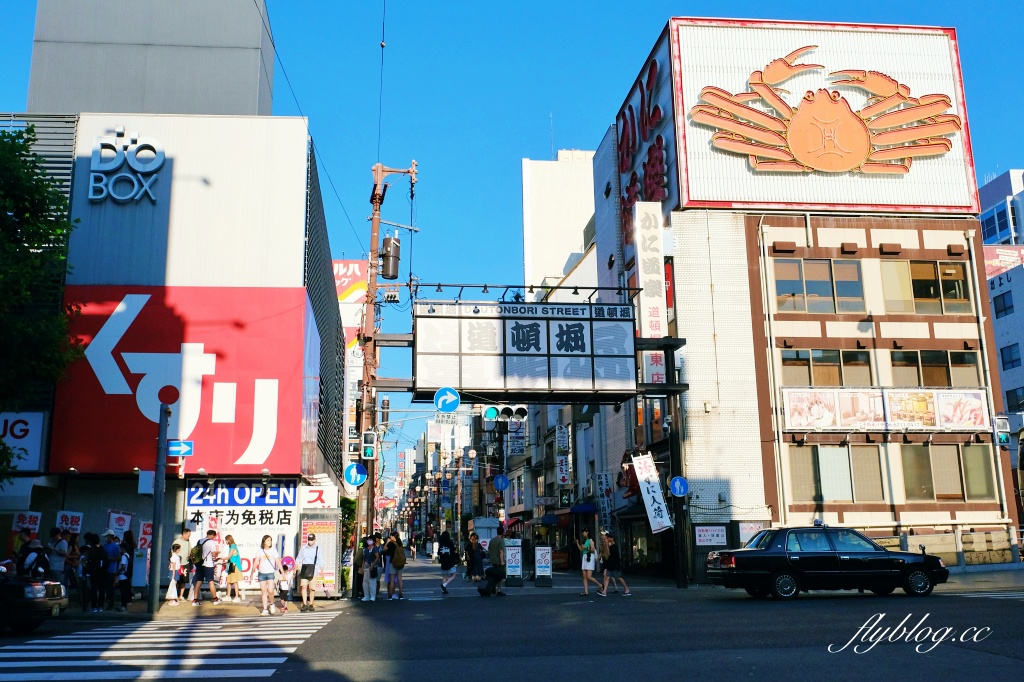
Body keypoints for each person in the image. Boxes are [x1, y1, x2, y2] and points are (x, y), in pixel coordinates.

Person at [251, 534, 280, 616]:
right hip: (261, 573)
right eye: (268, 540)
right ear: (264, 541)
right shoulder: (260, 551)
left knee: (270, 591)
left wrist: (282, 571)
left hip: (270, 573)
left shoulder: (273, 550)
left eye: (270, 540)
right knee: (264, 592)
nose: (269, 542)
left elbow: (278, 561)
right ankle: (265, 609)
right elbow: (256, 562)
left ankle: (271, 604)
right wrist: (252, 573)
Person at [296, 533, 324, 611]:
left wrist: (322, 571)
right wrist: (295, 567)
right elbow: (298, 558)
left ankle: (311, 604)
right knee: (304, 586)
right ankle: (304, 604)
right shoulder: (304, 548)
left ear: (315, 540)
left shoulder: (317, 549)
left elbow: (321, 559)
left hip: (314, 570)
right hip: (304, 569)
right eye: (309, 539)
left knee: (312, 588)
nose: (310, 541)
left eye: (312, 540)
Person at [598, 532, 631, 596]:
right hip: (610, 564)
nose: (608, 538)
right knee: (607, 577)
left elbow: (608, 553)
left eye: (609, 537)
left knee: (619, 577)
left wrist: (607, 545)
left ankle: (626, 589)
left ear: (612, 539)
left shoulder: (614, 546)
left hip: (614, 565)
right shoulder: (611, 546)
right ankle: (604, 591)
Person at [194, 529, 221, 606]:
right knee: (211, 581)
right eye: (214, 536)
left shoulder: (199, 541)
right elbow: (213, 554)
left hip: (199, 564)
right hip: (208, 564)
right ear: (212, 535)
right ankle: (215, 599)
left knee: (198, 582)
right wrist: (217, 553)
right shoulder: (211, 542)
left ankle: (195, 600)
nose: (213, 538)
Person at [479, 526, 506, 597]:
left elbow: (489, 549)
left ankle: (493, 588)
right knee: (499, 576)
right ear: (502, 533)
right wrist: (502, 561)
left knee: (494, 575)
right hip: (499, 561)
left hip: (493, 560)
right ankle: (499, 590)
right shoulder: (501, 541)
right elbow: (501, 552)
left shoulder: (492, 540)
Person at [576, 528, 602, 596]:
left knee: (589, 576)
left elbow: (592, 549)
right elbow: (581, 550)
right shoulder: (585, 540)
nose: (583, 533)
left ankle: (600, 585)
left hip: (589, 557)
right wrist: (577, 543)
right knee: (584, 576)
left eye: (584, 532)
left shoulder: (590, 540)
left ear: (587, 532)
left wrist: (586, 547)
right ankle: (586, 591)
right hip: (584, 557)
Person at [101, 530, 120, 610]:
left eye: (107, 536)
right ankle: (106, 602)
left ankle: (111, 603)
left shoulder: (115, 546)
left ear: (111, 536)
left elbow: (118, 557)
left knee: (110, 588)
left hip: (111, 569)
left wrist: (108, 558)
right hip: (104, 569)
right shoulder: (105, 545)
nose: (106, 538)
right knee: (105, 587)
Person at [223, 534, 244, 602]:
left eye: (226, 540)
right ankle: (228, 596)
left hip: (234, 566)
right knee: (229, 581)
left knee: (235, 582)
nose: (225, 541)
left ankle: (237, 597)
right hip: (231, 565)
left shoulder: (233, 547)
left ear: (228, 540)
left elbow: (229, 557)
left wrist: (220, 558)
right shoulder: (231, 546)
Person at [361, 536, 382, 602]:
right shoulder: (365, 549)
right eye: (368, 540)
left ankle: (373, 595)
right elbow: (364, 559)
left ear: (373, 541)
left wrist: (372, 564)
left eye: (370, 540)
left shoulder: (374, 549)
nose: (368, 541)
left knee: (372, 582)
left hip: (373, 568)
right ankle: (366, 595)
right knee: (365, 582)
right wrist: (362, 567)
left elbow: (377, 557)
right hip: (366, 567)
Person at [388, 532, 406, 599]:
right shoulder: (400, 543)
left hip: (393, 562)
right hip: (400, 562)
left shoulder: (391, 544)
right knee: (400, 579)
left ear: (393, 537)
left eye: (391, 536)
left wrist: (387, 542)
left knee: (392, 580)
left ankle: (390, 595)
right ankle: (401, 594)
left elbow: (384, 549)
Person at [115, 541, 132, 612]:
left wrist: (117, 572)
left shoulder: (123, 556)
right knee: (125, 591)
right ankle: (124, 605)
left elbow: (123, 566)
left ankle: (123, 606)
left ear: (123, 548)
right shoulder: (128, 555)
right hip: (126, 576)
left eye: (120, 547)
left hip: (122, 576)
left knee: (123, 592)